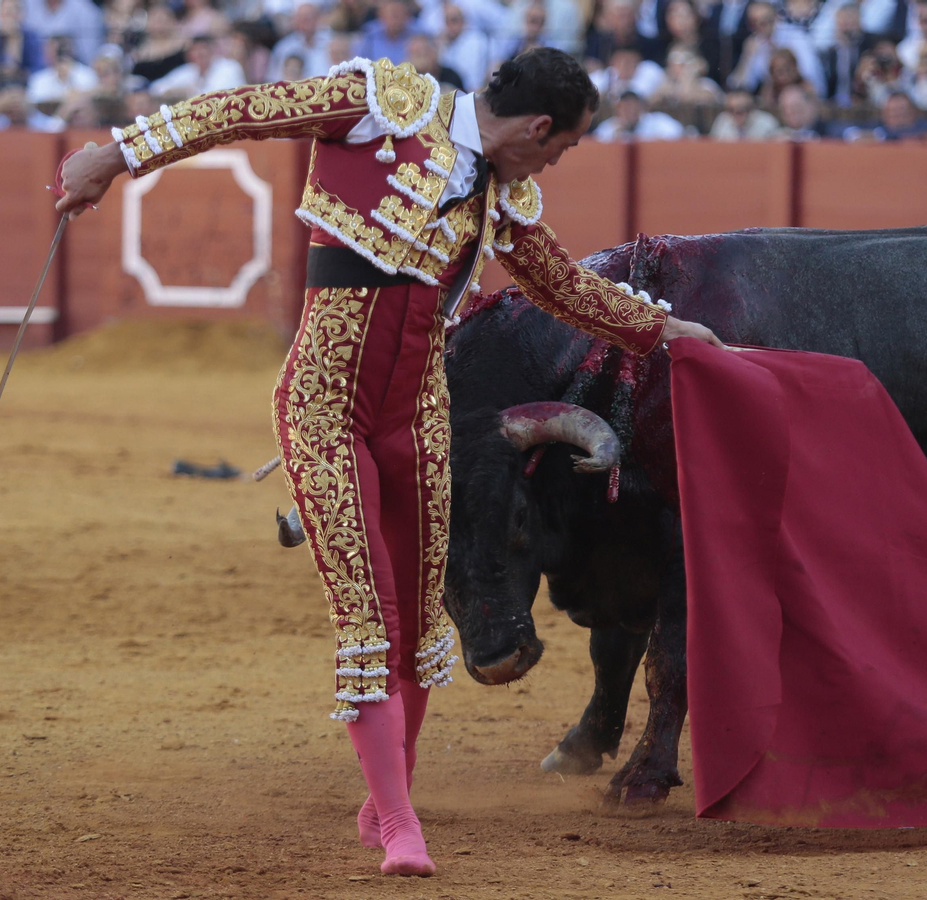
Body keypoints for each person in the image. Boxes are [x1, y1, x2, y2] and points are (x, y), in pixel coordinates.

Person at [53, 47, 721, 879]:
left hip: (418, 417)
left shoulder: (501, 193)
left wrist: (663, 331)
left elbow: (558, 283)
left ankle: (384, 797)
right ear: (538, 127)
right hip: (325, 409)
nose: (554, 162)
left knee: (414, 627)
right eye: (562, 147)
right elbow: (243, 110)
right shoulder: (380, 103)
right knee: (368, 620)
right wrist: (114, 155)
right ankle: (401, 821)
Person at [148, 34, 244, 99]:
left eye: (203, 49)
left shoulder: (229, 66)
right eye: (195, 51)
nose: (200, 54)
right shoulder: (189, 70)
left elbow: (217, 96)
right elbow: (156, 88)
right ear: (188, 55)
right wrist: (174, 91)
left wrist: (188, 91)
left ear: (212, 51)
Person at [593, 87, 687, 138]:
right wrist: (616, 136)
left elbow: (677, 132)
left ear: (641, 108)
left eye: (634, 107)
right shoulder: (609, 127)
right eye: (626, 108)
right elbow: (597, 144)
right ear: (618, 110)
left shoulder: (656, 121)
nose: (631, 111)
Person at [709, 85, 781, 138]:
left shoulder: (767, 123)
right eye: (731, 110)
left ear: (751, 108)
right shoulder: (723, 121)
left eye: (742, 109)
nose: (737, 112)